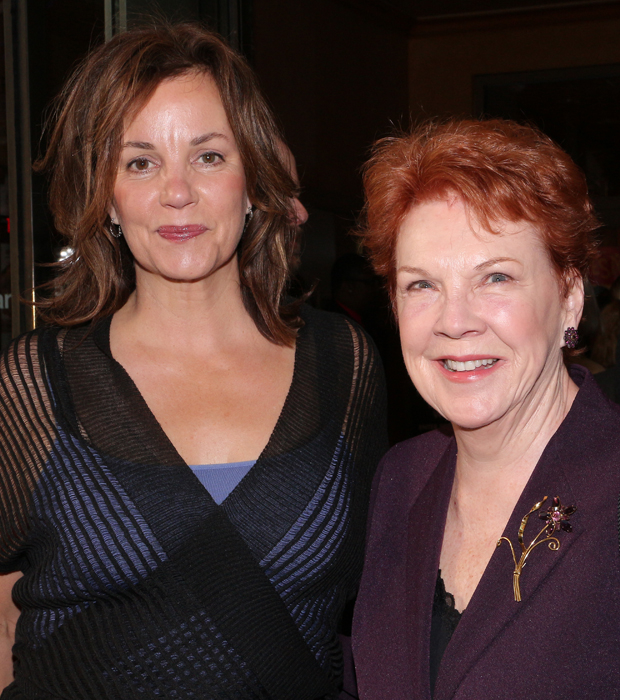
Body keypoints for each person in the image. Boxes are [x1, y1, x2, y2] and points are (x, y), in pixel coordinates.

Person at [0, 23, 387, 699]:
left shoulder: (343, 365)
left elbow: (384, 593)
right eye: (140, 162)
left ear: (254, 177)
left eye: (208, 157)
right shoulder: (34, 383)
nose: (176, 192)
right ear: (106, 194)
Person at [352, 119, 620, 699]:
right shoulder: (401, 478)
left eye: (495, 277)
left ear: (570, 294)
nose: (454, 321)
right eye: (422, 285)